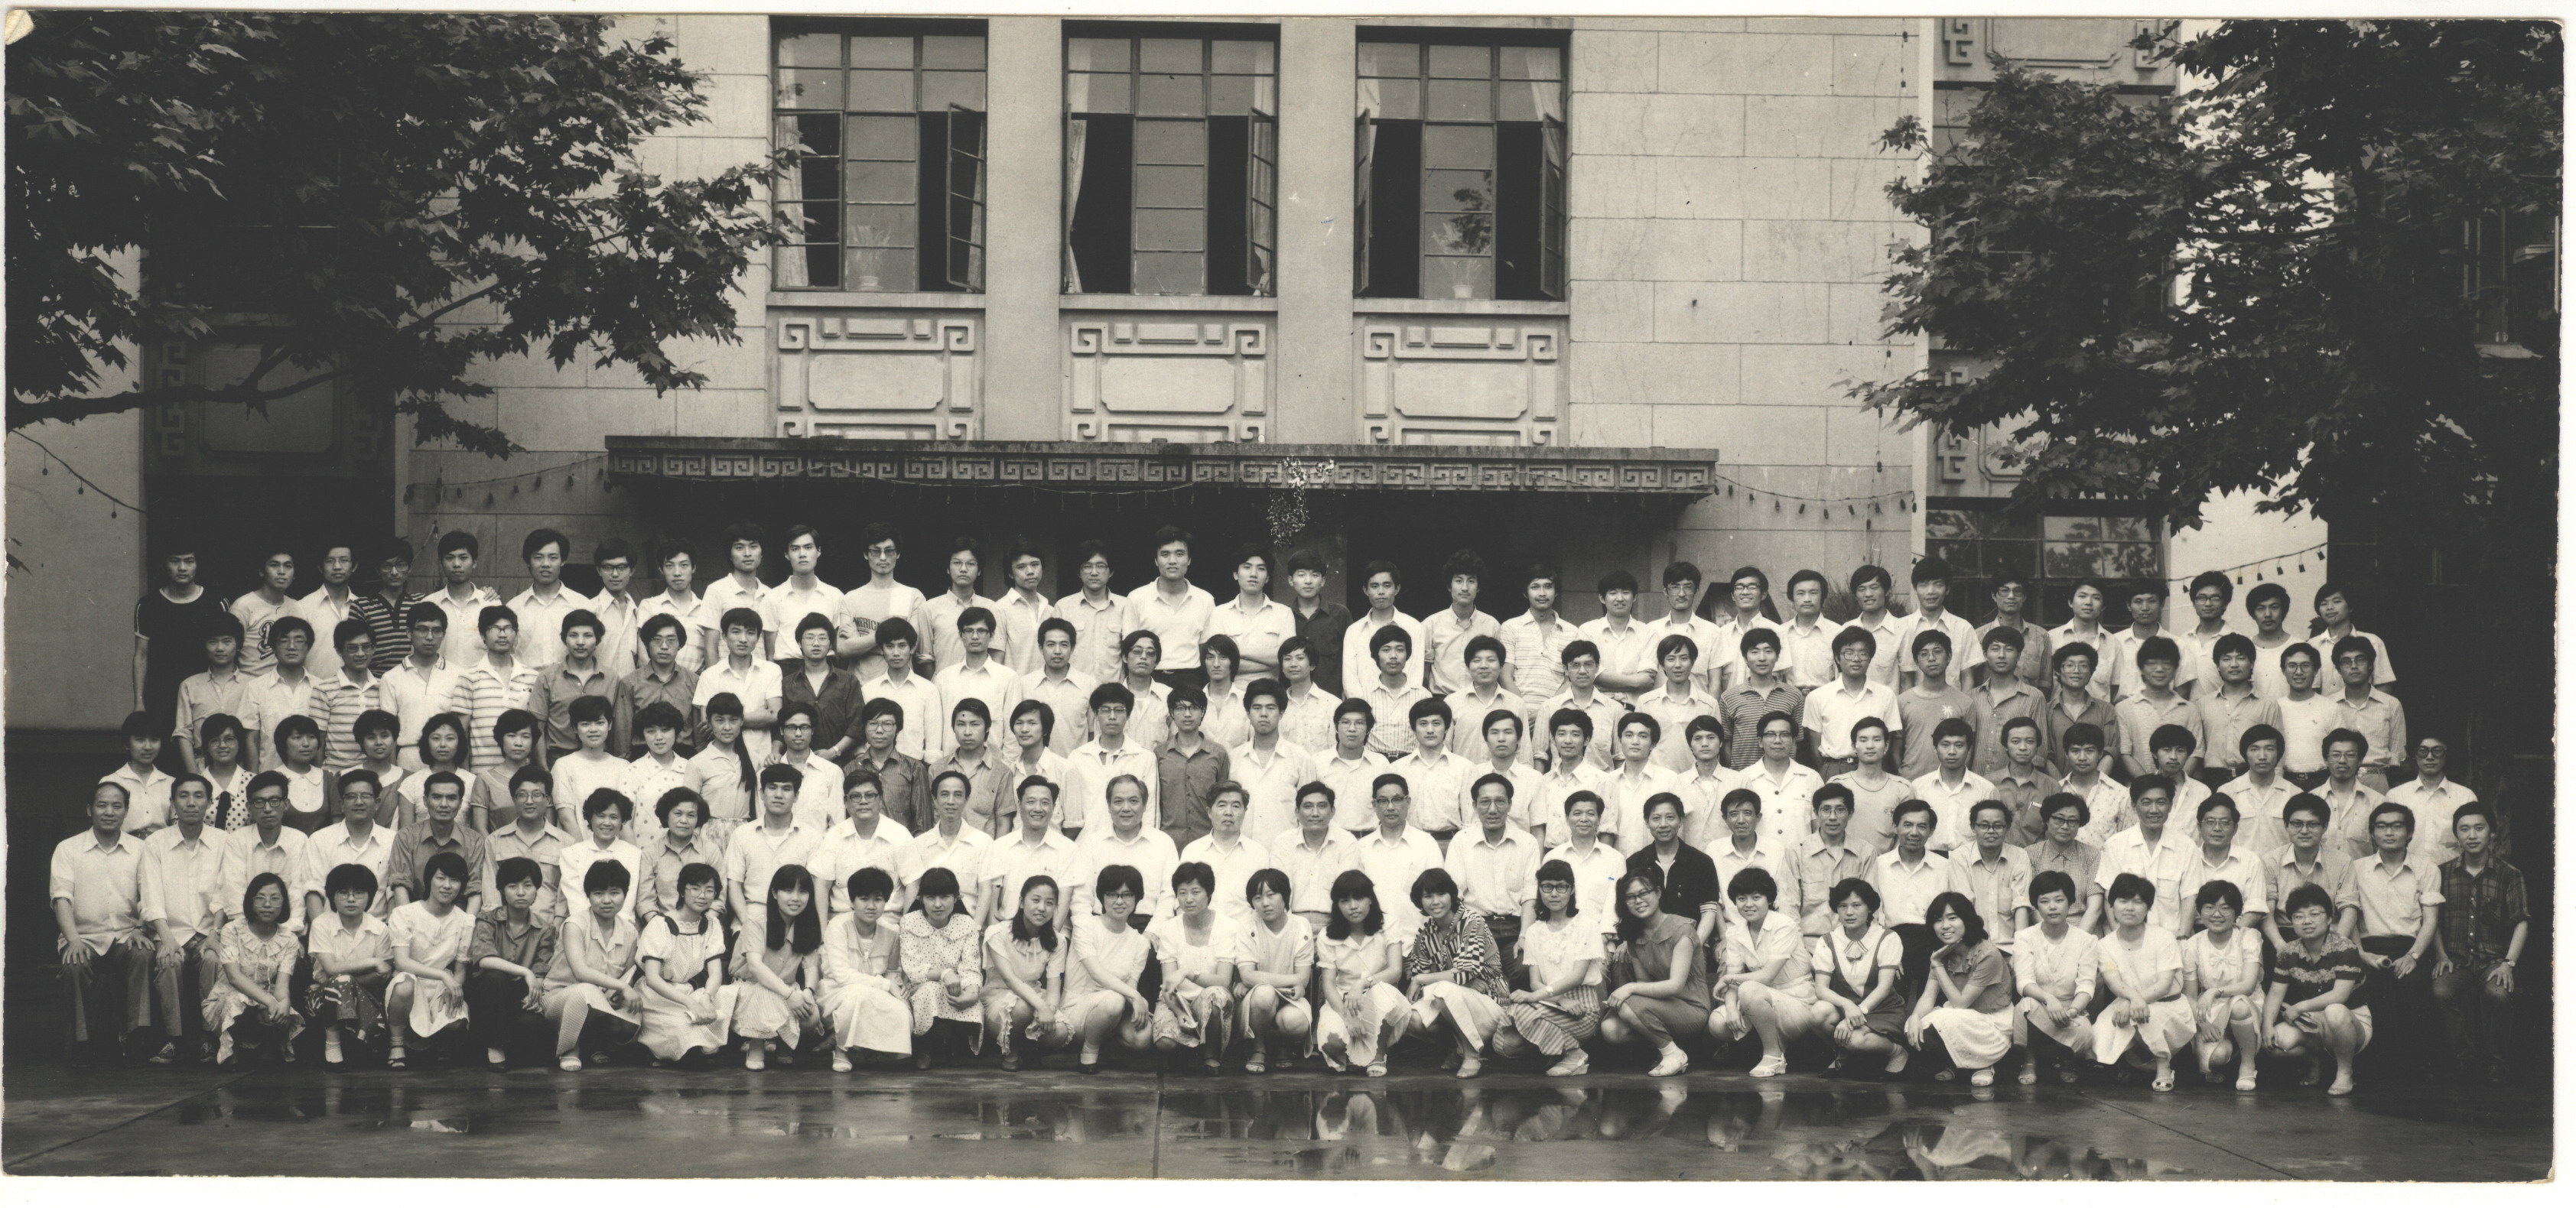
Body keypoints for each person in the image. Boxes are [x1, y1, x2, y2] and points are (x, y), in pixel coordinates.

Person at [2337, 801, 2442, 1078]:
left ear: (2410, 833)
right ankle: (2373, 1069)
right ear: (2372, 833)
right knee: (2370, 989)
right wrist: (2362, 954)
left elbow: (2430, 920)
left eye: (2397, 826)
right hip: (2368, 947)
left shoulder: (2426, 868)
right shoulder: (2356, 868)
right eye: (2381, 827)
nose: (2389, 832)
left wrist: (2413, 956)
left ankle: (2409, 1071)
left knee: (2413, 984)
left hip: (2411, 947)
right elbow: (2351, 916)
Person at [2431, 803, 2526, 1083]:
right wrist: (2441, 954)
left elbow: (2521, 921)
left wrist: (2508, 964)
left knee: (2498, 993)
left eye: (2479, 828)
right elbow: (2433, 920)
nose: (2472, 835)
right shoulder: (2441, 873)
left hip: (2494, 962)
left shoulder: (2510, 874)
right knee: (2442, 990)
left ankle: (2496, 1063)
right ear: (2457, 835)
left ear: (2492, 833)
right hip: (2456, 961)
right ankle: (2465, 1060)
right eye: (2464, 829)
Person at [137, 778, 226, 1063]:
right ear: (173, 803)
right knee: (169, 961)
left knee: (213, 960)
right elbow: (151, 895)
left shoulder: (224, 841)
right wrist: (166, 939)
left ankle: (209, 1039)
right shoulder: (156, 843)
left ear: (209, 802)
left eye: (199, 796)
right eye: (184, 796)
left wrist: (215, 934)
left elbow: (226, 893)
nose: (191, 803)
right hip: (169, 930)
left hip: (209, 930)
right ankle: (173, 1040)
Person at [1492, 859, 1602, 1076]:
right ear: (1540, 890)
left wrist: (1536, 997)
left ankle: (1574, 1054)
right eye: (1547, 887)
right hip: (1550, 1003)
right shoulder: (1534, 931)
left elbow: (1577, 977)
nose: (1554, 894)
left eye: (1561, 887)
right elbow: (1535, 982)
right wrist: (1560, 1000)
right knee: (1504, 1045)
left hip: (1582, 1008)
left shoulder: (1586, 925)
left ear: (1572, 890)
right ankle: (1560, 1051)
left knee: (1520, 1011)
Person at [1599, 869, 1709, 1076]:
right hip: (1661, 1005)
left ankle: (1673, 1054)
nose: (1638, 901)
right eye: (1631, 897)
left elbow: (1675, 985)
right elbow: (1644, 982)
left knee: (1627, 1004)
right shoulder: (1634, 934)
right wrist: (1633, 990)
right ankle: (1664, 1045)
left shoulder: (1682, 929)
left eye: (1643, 893)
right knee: (1612, 1030)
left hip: (1691, 1007)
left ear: (1658, 893)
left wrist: (1629, 988)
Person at [1710, 867, 1819, 1077]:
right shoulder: (1735, 932)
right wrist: (1731, 1008)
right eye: (1742, 898)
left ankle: (1773, 1056)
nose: (1749, 904)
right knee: (1718, 1023)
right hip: (1763, 1001)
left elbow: (1766, 975)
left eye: (1756, 897)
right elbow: (1734, 979)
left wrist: (1729, 978)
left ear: (1769, 899)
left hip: (1798, 1002)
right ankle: (1769, 1048)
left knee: (1749, 989)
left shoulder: (1784, 925)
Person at [2091, 872, 2195, 1092]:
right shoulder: (2104, 945)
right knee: (2099, 1040)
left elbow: (2165, 984)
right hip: (2128, 1002)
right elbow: (2113, 982)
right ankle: (2134, 1061)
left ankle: (2163, 1065)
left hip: (2167, 1005)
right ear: (2112, 905)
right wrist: (2133, 1000)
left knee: (2147, 1016)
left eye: (2138, 902)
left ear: (2148, 907)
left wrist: (2134, 1002)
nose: (2130, 908)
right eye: (2123, 901)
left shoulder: (2163, 937)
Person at [2265, 882, 2372, 1096]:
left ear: (2329, 918)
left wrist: (2300, 1007)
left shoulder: (2345, 948)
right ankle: (2315, 1059)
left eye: (2315, 914)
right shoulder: (2288, 952)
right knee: (2275, 1043)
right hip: (2313, 1022)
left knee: (2335, 1011)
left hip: (2352, 1020)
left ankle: (2345, 1073)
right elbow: (2275, 993)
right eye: (2298, 916)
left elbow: (2340, 996)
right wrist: (2267, 1025)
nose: (2307, 921)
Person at [1404, 866, 1508, 1077]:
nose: (1435, 902)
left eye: (1441, 894)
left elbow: (1465, 971)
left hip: (1491, 1002)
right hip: (1452, 1000)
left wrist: (1423, 978)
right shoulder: (1424, 935)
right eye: (1428, 896)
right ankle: (1454, 1046)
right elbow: (1423, 989)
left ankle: (1472, 1055)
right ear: (1420, 901)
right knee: (1410, 1018)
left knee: (1444, 990)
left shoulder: (1472, 921)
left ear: (1452, 895)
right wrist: (1462, 983)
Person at [1905, 891, 2014, 1087]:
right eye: (1938, 920)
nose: (1945, 926)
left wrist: (1937, 965)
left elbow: (1961, 1003)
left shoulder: (1987, 953)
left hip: (1992, 1024)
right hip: (1962, 1017)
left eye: (1952, 918)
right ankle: (1958, 1063)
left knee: (1947, 1019)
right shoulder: (1943, 953)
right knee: (1915, 1027)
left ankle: (1984, 1064)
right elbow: (1928, 997)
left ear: (1967, 920)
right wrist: (1914, 1017)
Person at [545, 859, 644, 1071]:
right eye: (598, 893)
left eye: (615, 893)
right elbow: (580, 972)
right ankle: (569, 1050)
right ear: (588, 896)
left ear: (625, 894)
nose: (607, 900)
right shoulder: (575, 924)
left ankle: (596, 1043)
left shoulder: (630, 932)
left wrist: (618, 991)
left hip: (602, 1002)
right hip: (560, 999)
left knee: (633, 1018)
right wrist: (621, 987)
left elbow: (627, 975)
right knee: (585, 991)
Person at [634, 861, 735, 1067]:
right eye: (695, 888)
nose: (702, 895)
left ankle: (694, 1046)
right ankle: (659, 1049)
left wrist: (706, 998)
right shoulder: (660, 924)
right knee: (684, 1030)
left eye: (709, 890)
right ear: (682, 891)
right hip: (657, 996)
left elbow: (716, 973)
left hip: (687, 991)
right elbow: (652, 978)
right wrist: (691, 1003)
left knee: (726, 994)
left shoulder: (712, 924)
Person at [1809, 877, 1912, 1076]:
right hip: (1847, 1010)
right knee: (1818, 1013)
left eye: (1857, 905)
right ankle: (1843, 1053)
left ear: (1870, 908)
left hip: (1882, 1010)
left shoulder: (1887, 938)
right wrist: (1847, 1005)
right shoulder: (1828, 941)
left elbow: (1884, 988)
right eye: (1843, 906)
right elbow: (1821, 989)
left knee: (1856, 1039)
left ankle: (1896, 1052)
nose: (1849, 912)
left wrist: (1858, 1012)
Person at [383, 849, 476, 1069]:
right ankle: (396, 1044)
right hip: (410, 980)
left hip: (442, 986)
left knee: (456, 1023)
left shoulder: (465, 921)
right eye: (441, 878)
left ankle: (439, 1043)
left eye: (455, 880)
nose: (447, 886)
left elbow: (460, 970)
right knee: (405, 985)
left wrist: (451, 986)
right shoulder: (405, 914)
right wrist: (444, 976)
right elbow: (402, 962)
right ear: (429, 880)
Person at [201, 871, 305, 1065]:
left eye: (275, 899)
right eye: (260, 898)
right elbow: (234, 977)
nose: (267, 904)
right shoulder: (232, 930)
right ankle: (231, 1052)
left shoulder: (289, 939)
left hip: (265, 1000)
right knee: (237, 1002)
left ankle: (266, 1047)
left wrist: (284, 1002)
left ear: (284, 903)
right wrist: (270, 1001)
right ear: (251, 901)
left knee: (283, 1013)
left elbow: (282, 985)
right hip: (229, 998)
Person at [465, 856, 558, 1070]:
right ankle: (495, 1047)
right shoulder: (487, 919)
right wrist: (526, 972)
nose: (521, 892)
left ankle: (507, 1048)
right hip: (487, 993)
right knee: (495, 977)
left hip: (519, 996)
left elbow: (541, 971)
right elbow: (484, 960)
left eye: (528, 885)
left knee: (533, 1027)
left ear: (536, 890)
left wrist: (534, 995)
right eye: (513, 886)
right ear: (502, 890)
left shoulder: (544, 929)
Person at [1313, 870, 1410, 1076]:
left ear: (1370, 899)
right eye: (1345, 901)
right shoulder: (1327, 936)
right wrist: (1347, 1016)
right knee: (1332, 1042)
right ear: (1337, 905)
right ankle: (1355, 1054)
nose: (1353, 906)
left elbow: (1395, 971)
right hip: (1343, 1000)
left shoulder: (1388, 924)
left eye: (1358, 898)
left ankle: (1378, 1054)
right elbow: (1328, 984)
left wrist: (1361, 984)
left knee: (1384, 991)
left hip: (1379, 996)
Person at [731, 864, 825, 1070]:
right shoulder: (756, 923)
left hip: (785, 989)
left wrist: (808, 992)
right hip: (751, 988)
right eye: (788, 890)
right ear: (774, 893)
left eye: (803, 891)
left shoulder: (807, 926)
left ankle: (784, 1042)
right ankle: (756, 1044)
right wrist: (790, 996)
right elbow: (755, 967)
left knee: (811, 1016)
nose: (796, 898)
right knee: (764, 994)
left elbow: (811, 967)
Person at [1065, 864, 1157, 1072]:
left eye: (1127, 895)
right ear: (1102, 897)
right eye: (1112, 894)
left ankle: (1108, 1041)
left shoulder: (1140, 942)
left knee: (1142, 1038)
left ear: (1137, 898)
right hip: (1077, 1010)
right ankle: (1089, 1050)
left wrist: (1136, 1001)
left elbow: (1131, 985)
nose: (1119, 901)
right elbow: (1097, 973)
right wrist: (1136, 997)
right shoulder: (1085, 926)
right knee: (1114, 1000)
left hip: (1114, 1009)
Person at [1147, 862, 1238, 1070]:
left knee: (1217, 995)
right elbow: (1169, 985)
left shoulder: (1227, 926)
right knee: (1164, 1043)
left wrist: (1188, 972)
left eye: (1196, 892)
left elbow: (1224, 981)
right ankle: (1187, 1050)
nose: (1189, 899)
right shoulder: (1169, 928)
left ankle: (1211, 1054)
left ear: (1209, 893)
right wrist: (1180, 1013)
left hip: (1210, 1000)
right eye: (1182, 893)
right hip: (1177, 1000)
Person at [2011, 870, 2097, 1085]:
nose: (2052, 907)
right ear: (2036, 905)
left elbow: (2086, 985)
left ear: (2070, 903)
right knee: (2028, 1005)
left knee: (2085, 1033)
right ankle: (2029, 1060)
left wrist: (2073, 1010)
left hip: (2071, 1011)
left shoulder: (2086, 940)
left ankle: (2067, 1058)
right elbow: (2024, 982)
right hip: (2038, 1006)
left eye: (2059, 900)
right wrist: (2049, 1000)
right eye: (2045, 901)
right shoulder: (2025, 937)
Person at [819, 866, 910, 1070]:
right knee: (857, 995)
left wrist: (895, 987)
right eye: (864, 899)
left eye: (878, 899)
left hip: (875, 992)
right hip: (836, 993)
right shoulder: (838, 927)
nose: (871, 906)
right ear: (852, 902)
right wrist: (885, 985)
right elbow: (842, 976)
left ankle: (874, 1050)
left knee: (902, 1009)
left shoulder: (892, 932)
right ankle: (842, 1050)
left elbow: (892, 971)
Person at [136, 540, 233, 729]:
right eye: (175, 561)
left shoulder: (216, 602)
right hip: (162, 694)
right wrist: (139, 702)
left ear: (197, 564)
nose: (182, 568)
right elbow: (141, 655)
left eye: (189, 561)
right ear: (164, 565)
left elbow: (229, 650)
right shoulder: (148, 605)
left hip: (207, 692)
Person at [307, 863, 395, 1067]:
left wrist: (351, 983)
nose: (351, 899)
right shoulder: (321, 924)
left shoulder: (379, 929)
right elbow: (331, 968)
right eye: (343, 893)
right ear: (332, 896)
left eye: (359, 893)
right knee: (340, 981)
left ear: (370, 897)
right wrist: (372, 962)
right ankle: (333, 1045)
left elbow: (384, 975)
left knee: (344, 981)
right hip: (322, 997)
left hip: (367, 997)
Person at [2182, 878, 2265, 1090]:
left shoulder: (2248, 937)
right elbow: (2190, 996)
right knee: (2215, 1058)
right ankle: (2231, 1052)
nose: (2217, 914)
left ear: (2237, 912)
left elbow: (2248, 985)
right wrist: (2203, 1024)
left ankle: (2248, 1065)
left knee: (2239, 1005)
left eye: (2225, 908)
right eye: (2209, 908)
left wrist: (2215, 991)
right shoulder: (2192, 945)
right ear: (2200, 911)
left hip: (2247, 1004)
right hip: (2211, 1011)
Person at [900, 865, 986, 1067]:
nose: (938, 904)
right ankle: (925, 1048)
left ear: (956, 898)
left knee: (970, 1002)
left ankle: (955, 1044)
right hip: (920, 986)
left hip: (956, 986)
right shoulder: (909, 923)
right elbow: (913, 969)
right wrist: (944, 973)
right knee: (930, 991)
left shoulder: (967, 925)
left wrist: (972, 993)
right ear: (921, 898)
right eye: (930, 897)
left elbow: (971, 966)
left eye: (945, 897)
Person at [2088, 775, 2194, 937]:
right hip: (2126, 939)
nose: (2154, 810)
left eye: (2161, 802)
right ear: (2133, 805)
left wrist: (2182, 937)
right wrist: (2121, 941)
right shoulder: (2115, 845)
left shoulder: (2186, 846)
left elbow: (2190, 897)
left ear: (2170, 805)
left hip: (2173, 939)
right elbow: (2110, 898)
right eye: (2146, 803)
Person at [983, 875, 1069, 1071]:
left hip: (1036, 997)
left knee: (1061, 1031)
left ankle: (1029, 1049)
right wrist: (1041, 1007)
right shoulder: (998, 933)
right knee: (1022, 1008)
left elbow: (1054, 988)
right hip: (998, 996)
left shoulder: (1058, 941)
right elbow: (1010, 979)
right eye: (1036, 900)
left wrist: (1050, 1009)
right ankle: (1012, 1051)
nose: (1042, 908)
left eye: (1049, 903)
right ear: (1022, 902)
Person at [1234, 867, 1316, 1073]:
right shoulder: (1247, 925)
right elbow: (1247, 975)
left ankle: (1284, 1046)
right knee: (1264, 994)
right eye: (1257, 897)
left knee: (1294, 1022)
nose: (1265, 903)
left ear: (1285, 896)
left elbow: (1304, 979)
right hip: (1259, 997)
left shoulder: (1301, 925)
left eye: (1271, 895)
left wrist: (1258, 979)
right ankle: (1258, 1048)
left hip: (1291, 998)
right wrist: (1292, 980)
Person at [726, 764, 823, 935]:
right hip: (750, 918)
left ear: (796, 796)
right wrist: (748, 923)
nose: (779, 795)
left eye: (786, 789)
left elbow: (814, 888)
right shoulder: (742, 835)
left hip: (795, 923)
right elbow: (734, 884)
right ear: (762, 793)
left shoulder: (812, 838)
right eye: (772, 788)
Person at [1625, 792, 1722, 953]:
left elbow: (1708, 912)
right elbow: (1629, 908)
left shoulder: (1702, 862)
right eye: (1656, 818)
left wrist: (1693, 946)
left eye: (1670, 817)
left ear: (1681, 820)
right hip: (1647, 945)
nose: (1663, 824)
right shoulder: (1635, 863)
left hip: (1692, 943)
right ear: (1647, 822)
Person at [448, 606, 542, 770]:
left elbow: (537, 730)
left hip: (523, 774)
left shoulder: (533, 677)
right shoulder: (469, 677)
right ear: (483, 635)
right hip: (481, 773)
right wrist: (466, 776)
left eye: (508, 629)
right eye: (495, 629)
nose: (502, 634)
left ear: (516, 634)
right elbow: (461, 732)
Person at [382, 771, 489, 911]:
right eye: (437, 797)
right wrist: (409, 921)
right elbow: (400, 885)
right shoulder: (406, 837)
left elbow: (475, 889)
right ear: (425, 801)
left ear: (460, 803)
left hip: (460, 917)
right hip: (414, 916)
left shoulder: (474, 841)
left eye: (451, 798)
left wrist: (468, 923)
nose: (444, 804)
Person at [1124, 527, 1215, 691]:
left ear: (1189, 559)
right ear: (1156, 560)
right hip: (1148, 678)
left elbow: (1206, 648)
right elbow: (1129, 646)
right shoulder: (1137, 598)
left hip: (1191, 679)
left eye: (1180, 554)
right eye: (1165, 554)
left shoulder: (1205, 599)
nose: (1172, 561)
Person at [812, 773, 912, 920]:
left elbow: (913, 885)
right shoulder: (834, 836)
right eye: (856, 796)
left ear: (880, 799)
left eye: (870, 795)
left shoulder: (900, 835)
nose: (863, 801)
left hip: (888, 921)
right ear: (845, 802)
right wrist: (822, 929)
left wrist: (907, 928)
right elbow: (822, 885)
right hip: (842, 921)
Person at [984, 776, 1083, 924]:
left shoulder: (1068, 849)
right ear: (1019, 805)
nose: (1038, 809)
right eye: (1031, 802)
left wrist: (1049, 937)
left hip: (1048, 932)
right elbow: (992, 904)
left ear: (1054, 807)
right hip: (1005, 930)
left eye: (1045, 803)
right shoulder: (1000, 847)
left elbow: (1064, 903)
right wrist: (996, 934)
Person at [1068, 682, 1161, 839]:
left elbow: (1150, 813)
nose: (1112, 717)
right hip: (1087, 845)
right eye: (1105, 710)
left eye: (1119, 710)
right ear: (1096, 715)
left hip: (1131, 845)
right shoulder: (1078, 757)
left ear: (1128, 715)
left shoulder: (1144, 757)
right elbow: (1072, 815)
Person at [695, 608, 785, 763]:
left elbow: (775, 714)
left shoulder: (771, 670)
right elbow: (707, 724)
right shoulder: (709, 675)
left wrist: (726, 719)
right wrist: (758, 717)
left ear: (758, 637)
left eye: (750, 633)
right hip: (721, 759)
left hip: (763, 758)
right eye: (736, 632)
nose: (743, 639)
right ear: (724, 636)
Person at [1807, 627, 1898, 779]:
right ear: (1837, 658)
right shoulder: (1817, 697)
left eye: (1863, 653)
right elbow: (1814, 747)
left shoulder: (1886, 695)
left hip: (1874, 769)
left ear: (1870, 658)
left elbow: (1889, 743)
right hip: (1834, 768)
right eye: (1849, 653)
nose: (1856, 659)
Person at [837, 522, 925, 680]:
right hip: (860, 685)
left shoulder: (911, 595)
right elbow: (843, 649)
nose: (883, 557)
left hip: (899, 684)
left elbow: (911, 645)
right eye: (876, 551)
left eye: (889, 551)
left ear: (898, 554)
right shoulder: (851, 598)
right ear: (866, 554)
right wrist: (886, 635)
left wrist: (859, 641)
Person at [1177, 784, 1269, 933]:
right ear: (1209, 812)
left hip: (1245, 934)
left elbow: (1264, 902)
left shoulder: (1258, 853)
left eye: (1236, 806)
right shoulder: (1193, 851)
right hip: (1202, 934)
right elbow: (1180, 901)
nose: (1228, 812)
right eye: (1222, 805)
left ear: (1245, 812)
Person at [2197, 635, 2282, 789]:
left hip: (2253, 778)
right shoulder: (2203, 704)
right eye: (2227, 659)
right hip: (2212, 780)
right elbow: (2198, 751)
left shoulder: (2267, 704)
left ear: (2252, 663)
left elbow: (2277, 750)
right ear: (2217, 665)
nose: (2234, 665)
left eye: (2241, 658)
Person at [173, 616, 255, 776]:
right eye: (213, 642)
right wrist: (195, 777)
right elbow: (183, 733)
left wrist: (252, 776)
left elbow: (253, 735)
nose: (220, 648)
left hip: (242, 764)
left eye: (227, 641)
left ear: (238, 644)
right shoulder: (190, 685)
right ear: (204, 645)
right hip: (202, 765)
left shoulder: (252, 684)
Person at [1271, 782, 1359, 930]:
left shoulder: (1346, 841)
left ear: (1333, 811)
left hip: (1335, 924)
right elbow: (1279, 891)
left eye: (1322, 806)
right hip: (1291, 924)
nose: (1315, 813)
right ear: (1297, 812)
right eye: (1308, 806)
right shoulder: (1283, 842)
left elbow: (1347, 890)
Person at [1234, 679, 1315, 840]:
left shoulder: (1301, 758)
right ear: (1248, 713)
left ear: (1282, 713)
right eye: (1257, 708)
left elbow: (1309, 810)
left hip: (1285, 849)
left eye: (1271, 708)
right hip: (1243, 848)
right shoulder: (1234, 758)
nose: (1264, 714)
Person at [2114, 638, 2203, 780]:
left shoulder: (2190, 710)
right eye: (2152, 664)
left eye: (2167, 664)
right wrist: (2150, 785)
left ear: (2175, 669)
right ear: (2141, 668)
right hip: (2138, 786)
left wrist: (2176, 783)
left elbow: (2196, 753)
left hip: (2181, 787)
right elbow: (2125, 753)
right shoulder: (2124, 708)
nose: (2160, 669)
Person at [781, 613, 865, 763]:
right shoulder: (787, 683)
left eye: (822, 638)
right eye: (810, 638)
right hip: (798, 762)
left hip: (842, 762)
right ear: (799, 643)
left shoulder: (848, 680)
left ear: (831, 644)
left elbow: (857, 725)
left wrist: (834, 751)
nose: (816, 643)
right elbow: (781, 726)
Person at [2180, 796, 2269, 935]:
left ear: (2235, 828)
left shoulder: (2250, 860)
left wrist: (2229, 939)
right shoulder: (2185, 859)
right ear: (2199, 827)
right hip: (2194, 932)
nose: (2217, 828)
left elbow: (2254, 909)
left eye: (2225, 823)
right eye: (2210, 822)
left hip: (2238, 931)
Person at [1719, 627, 1804, 771]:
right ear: (1745, 658)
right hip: (1743, 776)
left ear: (1777, 657)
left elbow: (1795, 741)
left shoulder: (1793, 695)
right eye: (1755, 652)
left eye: (1768, 651)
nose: (1762, 658)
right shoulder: (1729, 697)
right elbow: (1726, 742)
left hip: (1782, 775)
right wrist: (1734, 775)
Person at [2327, 637, 2407, 792]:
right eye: (2346, 662)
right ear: (2339, 669)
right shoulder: (2329, 705)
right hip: (2339, 779)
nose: (2354, 666)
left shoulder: (2391, 704)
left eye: (2360, 660)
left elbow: (2398, 754)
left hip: (2379, 779)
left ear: (2370, 665)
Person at [613, 613, 698, 758]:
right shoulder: (630, 683)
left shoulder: (694, 681)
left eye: (671, 640)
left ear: (680, 644)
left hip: (684, 754)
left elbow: (699, 732)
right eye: (657, 640)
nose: (664, 646)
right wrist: (624, 761)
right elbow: (623, 729)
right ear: (646, 644)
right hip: (642, 754)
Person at [1895, 633, 1975, 781]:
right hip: (1910, 782)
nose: (1931, 658)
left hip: (1949, 784)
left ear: (1949, 657)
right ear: (1917, 661)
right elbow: (1895, 750)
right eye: (1924, 654)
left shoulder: (1965, 702)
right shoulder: (1902, 701)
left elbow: (1968, 751)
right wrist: (1904, 779)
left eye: (1937, 652)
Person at [845, 697, 932, 834]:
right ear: (865, 728)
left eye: (887, 724)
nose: (879, 730)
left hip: (902, 844)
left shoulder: (914, 768)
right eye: (873, 724)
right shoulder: (851, 769)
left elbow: (922, 822)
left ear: (898, 729)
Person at [639, 788, 724, 923]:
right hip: (662, 924)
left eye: (691, 815)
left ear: (698, 818)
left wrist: (703, 925)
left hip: (703, 923)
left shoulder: (710, 851)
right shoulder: (651, 853)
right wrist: (660, 926)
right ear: (666, 816)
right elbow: (645, 902)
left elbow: (719, 899)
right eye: (678, 814)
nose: (684, 821)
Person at [1602, 713, 1683, 855]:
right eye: (1629, 735)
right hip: (1618, 862)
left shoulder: (1669, 779)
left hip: (1658, 861)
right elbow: (1604, 830)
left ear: (1653, 744)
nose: (1635, 742)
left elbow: (1679, 829)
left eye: (1643, 736)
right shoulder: (1608, 781)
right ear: (1620, 740)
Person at [1910, 718, 1994, 852]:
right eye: (1945, 745)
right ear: (1935, 748)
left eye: (1959, 745)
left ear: (1969, 749)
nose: (1952, 752)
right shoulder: (1919, 787)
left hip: (1969, 860)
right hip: (1928, 859)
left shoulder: (1986, 790)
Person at [561, 789, 643, 924]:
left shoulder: (634, 854)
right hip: (583, 926)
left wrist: (615, 929)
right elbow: (577, 903)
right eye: (601, 816)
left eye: (614, 817)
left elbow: (628, 902)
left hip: (622, 926)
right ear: (590, 818)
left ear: (622, 820)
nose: (607, 823)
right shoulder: (571, 854)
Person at [1444, 636, 1529, 768]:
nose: (1484, 666)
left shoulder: (1516, 703)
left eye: (1491, 660)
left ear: (1501, 666)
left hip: (1504, 778)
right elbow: (1444, 750)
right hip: (1463, 777)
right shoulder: (1452, 702)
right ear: (1468, 667)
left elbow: (1524, 754)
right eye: (1477, 661)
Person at [1051, 539, 1125, 685]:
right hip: (1074, 688)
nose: (1094, 572)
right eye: (1087, 566)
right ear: (1079, 572)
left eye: (1101, 566)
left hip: (1113, 691)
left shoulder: (1125, 606)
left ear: (1111, 572)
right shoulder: (1064, 607)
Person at [1830, 718, 1908, 851]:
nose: (1870, 746)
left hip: (1885, 862)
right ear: (1854, 746)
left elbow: (1905, 834)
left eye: (1877, 740)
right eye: (1863, 740)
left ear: (1886, 745)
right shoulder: (1838, 785)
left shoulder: (1902, 788)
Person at [2041, 644, 2120, 775]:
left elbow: (2110, 751)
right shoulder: (2046, 710)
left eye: (2083, 666)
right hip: (2057, 784)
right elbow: (2044, 755)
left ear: (2091, 672)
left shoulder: (2106, 710)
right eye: (2070, 665)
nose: (2076, 671)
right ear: (2058, 671)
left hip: (2098, 784)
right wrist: (2061, 785)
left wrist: (2094, 784)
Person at [431, 531, 506, 669]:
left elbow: (502, 653)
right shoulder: (429, 604)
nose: (456, 564)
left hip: (481, 680)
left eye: (463, 558)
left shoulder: (491, 604)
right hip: (440, 681)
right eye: (449, 558)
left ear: (474, 562)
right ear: (441, 563)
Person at [2220, 724, 2298, 853]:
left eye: (2269, 749)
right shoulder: (2227, 792)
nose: (2262, 756)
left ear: (2278, 754)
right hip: (2241, 865)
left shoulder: (2294, 794)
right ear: (2245, 754)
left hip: (2281, 864)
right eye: (2254, 749)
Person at [767, 702, 845, 832]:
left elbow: (837, 825)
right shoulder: (767, 773)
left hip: (820, 844)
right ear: (781, 730)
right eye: (791, 727)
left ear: (812, 730)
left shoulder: (832, 772)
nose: (798, 733)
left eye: (804, 727)